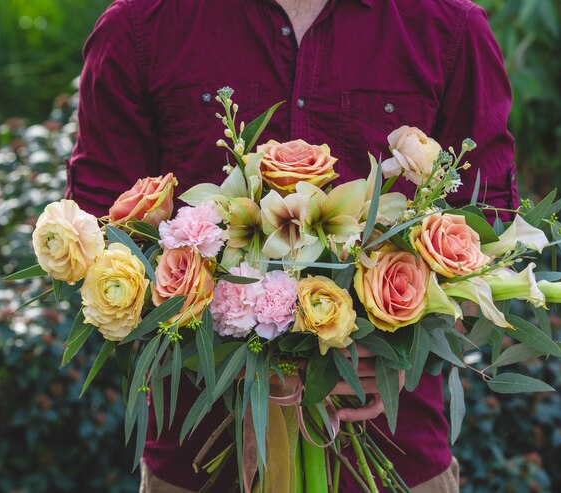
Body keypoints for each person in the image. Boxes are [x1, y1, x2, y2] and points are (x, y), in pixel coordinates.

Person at [67, 0, 519, 491]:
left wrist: (404, 351)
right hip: (201, 461)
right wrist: (217, 345)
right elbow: (95, 239)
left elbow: (490, 231)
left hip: (394, 457)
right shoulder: (139, 25)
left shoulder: (447, 26)